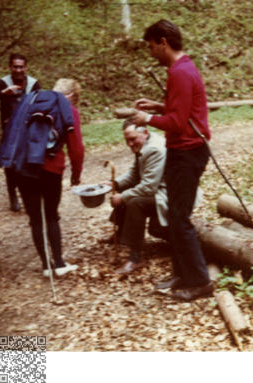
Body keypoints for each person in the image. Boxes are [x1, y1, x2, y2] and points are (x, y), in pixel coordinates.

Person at [132, 19, 213, 301]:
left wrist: (148, 119)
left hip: (188, 151)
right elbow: (183, 108)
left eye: (153, 47)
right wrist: (158, 106)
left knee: (179, 219)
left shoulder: (179, 72)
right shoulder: (181, 68)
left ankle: (200, 281)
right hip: (184, 150)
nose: (152, 52)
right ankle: (183, 274)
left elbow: (178, 122)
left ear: (163, 42)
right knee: (175, 218)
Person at [0, 78, 85, 277]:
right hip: (51, 169)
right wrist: (76, 174)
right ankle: (60, 263)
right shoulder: (69, 109)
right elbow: (77, 149)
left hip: (23, 166)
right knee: (51, 216)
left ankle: (46, 266)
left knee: (36, 219)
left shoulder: (28, 102)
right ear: (71, 95)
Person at [106, 119, 168, 275]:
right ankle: (121, 234)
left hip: (168, 193)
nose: (130, 144)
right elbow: (134, 174)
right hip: (156, 188)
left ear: (145, 133)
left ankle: (135, 257)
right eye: (127, 140)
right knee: (125, 192)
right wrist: (114, 184)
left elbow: (148, 187)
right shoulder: (143, 144)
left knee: (134, 202)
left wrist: (123, 196)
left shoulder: (154, 149)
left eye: (133, 139)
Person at [0, 53, 41, 211]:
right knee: (9, 164)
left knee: (28, 161)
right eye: (15, 67)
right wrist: (4, 94)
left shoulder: (33, 83)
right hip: (8, 130)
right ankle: (13, 196)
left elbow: (41, 103)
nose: (18, 70)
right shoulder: (3, 83)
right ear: (9, 67)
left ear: (26, 67)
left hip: (28, 129)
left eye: (21, 67)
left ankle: (29, 195)